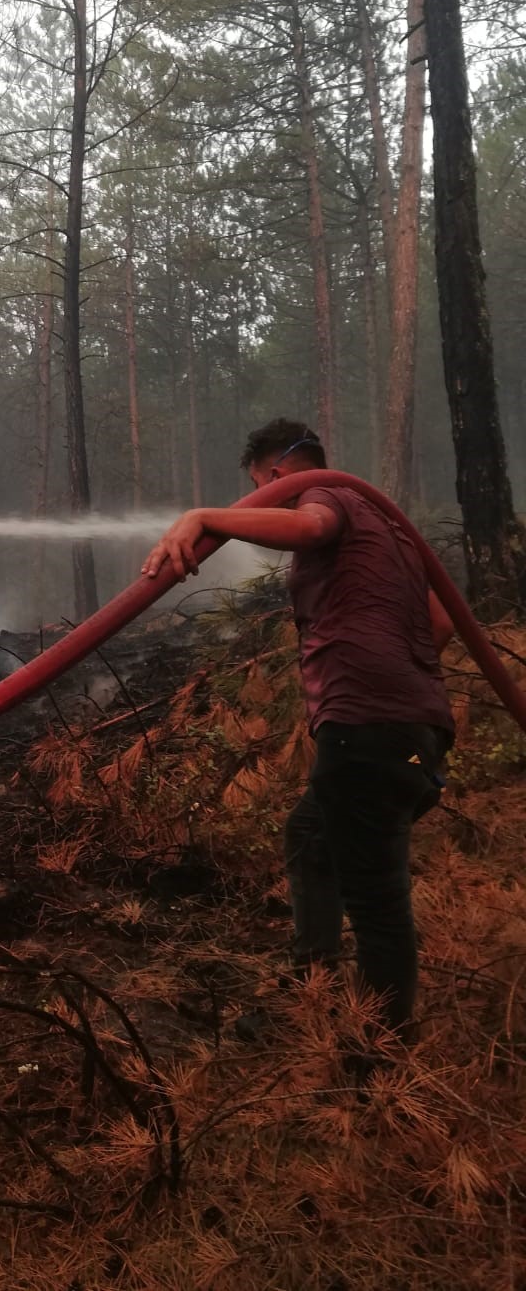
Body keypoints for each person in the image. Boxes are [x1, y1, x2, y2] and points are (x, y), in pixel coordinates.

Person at [142, 419, 454, 1040]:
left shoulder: (329, 497)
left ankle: (379, 1057)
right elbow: (441, 624)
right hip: (410, 726)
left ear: (278, 474)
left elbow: (309, 528)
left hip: (367, 727)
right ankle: (310, 987)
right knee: (312, 837)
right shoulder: (386, 526)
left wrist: (203, 517)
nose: (259, 500)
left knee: (377, 900)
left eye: (259, 489)